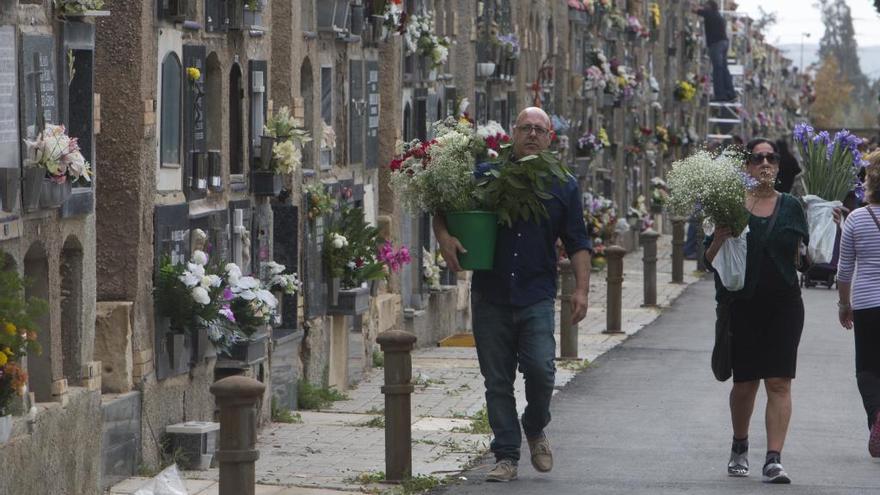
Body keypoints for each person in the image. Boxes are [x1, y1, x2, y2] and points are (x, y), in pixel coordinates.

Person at [434, 107, 592, 482]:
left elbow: (578, 241)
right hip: (491, 294)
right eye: (526, 128)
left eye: (540, 129)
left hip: (536, 294)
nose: (533, 134)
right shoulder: (486, 176)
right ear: (513, 134)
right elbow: (441, 205)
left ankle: (534, 425)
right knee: (497, 381)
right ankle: (506, 454)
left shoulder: (564, 185)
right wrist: (444, 238)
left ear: (550, 138)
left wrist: (582, 290)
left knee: (542, 369)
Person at [704, 138, 808, 484]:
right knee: (746, 383)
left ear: (778, 166)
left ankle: (774, 459)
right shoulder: (730, 204)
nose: (765, 163)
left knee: (779, 381)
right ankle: (739, 445)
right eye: (757, 158)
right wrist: (719, 236)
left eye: (771, 158)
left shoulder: (792, 206)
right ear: (747, 167)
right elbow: (709, 259)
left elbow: (807, 255)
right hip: (743, 305)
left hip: (784, 306)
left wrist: (830, 223)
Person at [836, 150, 880, 457]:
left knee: (866, 367)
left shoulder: (857, 219)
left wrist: (843, 304)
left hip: (866, 303)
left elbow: (843, 270)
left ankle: (877, 417)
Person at [693, 1, 736, 102]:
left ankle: (720, 95)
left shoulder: (709, 13)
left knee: (717, 70)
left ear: (710, 7)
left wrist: (693, 5)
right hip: (724, 43)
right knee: (724, 69)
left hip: (716, 44)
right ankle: (730, 93)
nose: (704, 7)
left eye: (706, 6)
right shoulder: (718, 16)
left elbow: (696, 10)